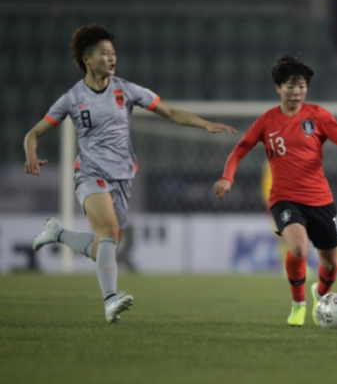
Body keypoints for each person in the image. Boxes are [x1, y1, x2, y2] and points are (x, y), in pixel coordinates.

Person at [24, 24, 235, 323]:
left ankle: (56, 232)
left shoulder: (127, 89)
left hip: (123, 177)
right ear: (87, 58)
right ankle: (110, 301)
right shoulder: (72, 98)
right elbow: (33, 133)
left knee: (103, 248)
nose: (112, 59)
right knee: (109, 231)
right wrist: (31, 154)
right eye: (104, 54)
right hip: (89, 173)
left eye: (114, 53)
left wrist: (205, 124)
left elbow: (171, 112)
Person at [213, 55, 337, 327]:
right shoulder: (267, 121)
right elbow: (240, 150)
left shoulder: (317, 115)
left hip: (320, 199)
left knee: (331, 264)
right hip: (284, 199)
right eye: (290, 86)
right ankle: (298, 304)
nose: (296, 92)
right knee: (298, 248)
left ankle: (319, 296)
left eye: (301, 86)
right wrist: (228, 177)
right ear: (278, 87)